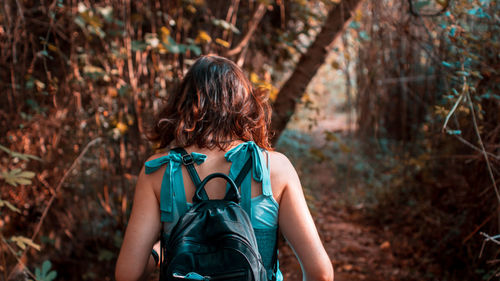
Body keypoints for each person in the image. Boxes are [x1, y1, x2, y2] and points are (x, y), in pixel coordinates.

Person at [115, 55, 333, 281]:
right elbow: (321, 273)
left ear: (184, 104)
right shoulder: (274, 168)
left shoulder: (158, 171)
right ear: (245, 104)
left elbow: (127, 274)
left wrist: (163, 249)